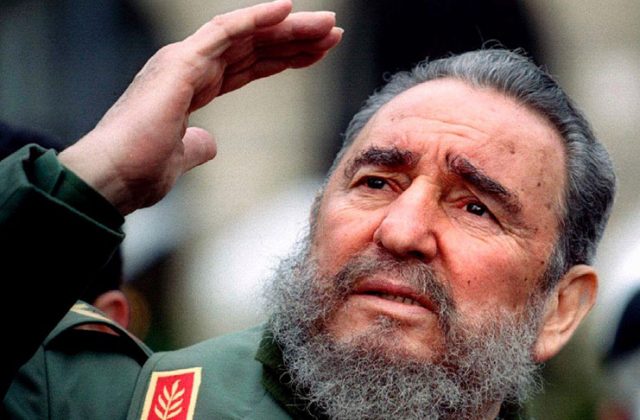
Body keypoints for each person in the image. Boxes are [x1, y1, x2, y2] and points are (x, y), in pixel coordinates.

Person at [0, 1, 615, 419]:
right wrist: (93, 177)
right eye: (376, 183)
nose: (400, 230)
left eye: (475, 207)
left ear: (560, 309)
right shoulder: (104, 403)